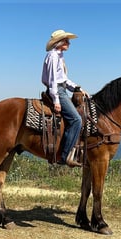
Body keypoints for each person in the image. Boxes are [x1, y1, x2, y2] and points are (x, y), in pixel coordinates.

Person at [41, 29, 89, 167]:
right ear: (59, 42)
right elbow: (52, 81)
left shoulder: (59, 56)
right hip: (57, 91)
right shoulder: (53, 56)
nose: (69, 43)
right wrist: (56, 100)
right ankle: (65, 156)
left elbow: (64, 80)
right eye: (66, 40)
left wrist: (77, 88)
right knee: (76, 119)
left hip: (61, 89)